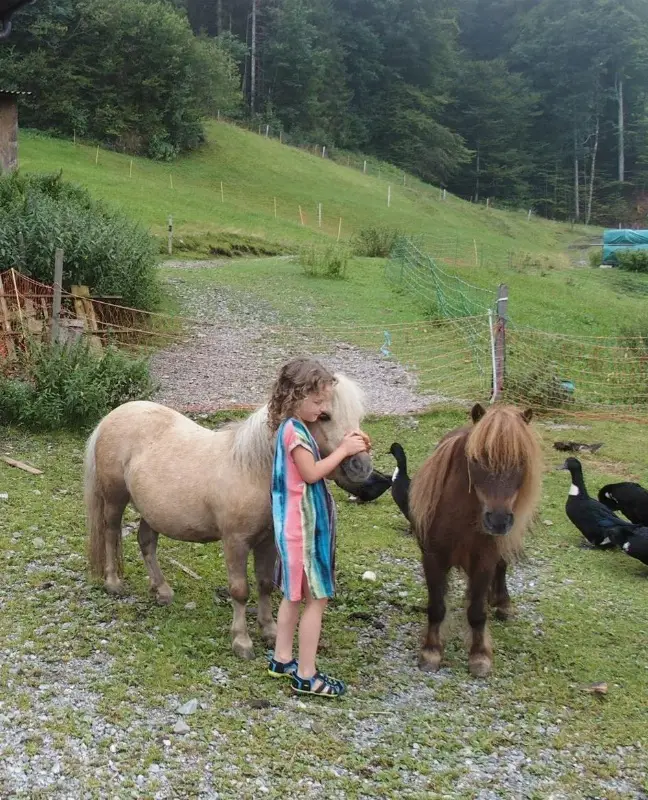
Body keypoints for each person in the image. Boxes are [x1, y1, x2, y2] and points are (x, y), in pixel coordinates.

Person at [266, 357, 369, 697]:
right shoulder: (295, 434)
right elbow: (311, 474)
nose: (323, 408)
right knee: (317, 599)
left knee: (292, 595)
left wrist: (351, 444)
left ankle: (282, 658)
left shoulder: (293, 428)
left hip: (294, 528)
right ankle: (307, 675)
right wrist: (343, 451)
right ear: (295, 397)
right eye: (318, 401)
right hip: (304, 531)